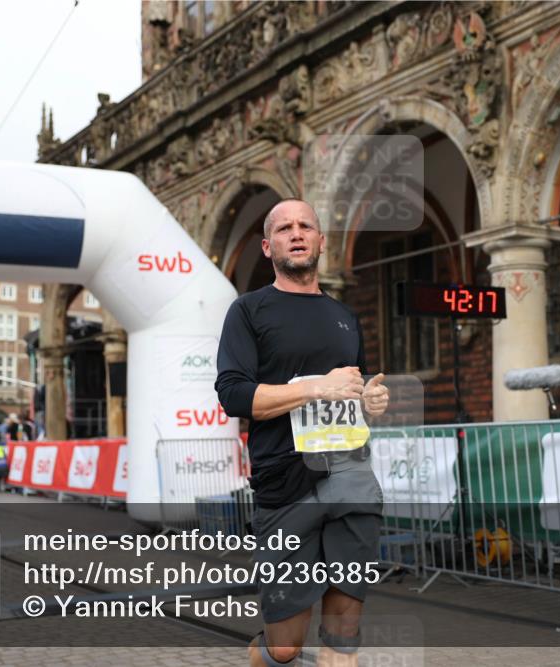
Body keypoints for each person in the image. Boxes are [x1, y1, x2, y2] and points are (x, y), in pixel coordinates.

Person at [215, 199, 390, 667]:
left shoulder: (344, 316)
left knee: (343, 634)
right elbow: (233, 395)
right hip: (286, 482)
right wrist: (316, 387)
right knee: (285, 647)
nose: (297, 233)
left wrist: (370, 397)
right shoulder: (248, 311)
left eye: (305, 226)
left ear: (320, 241)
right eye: (285, 228)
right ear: (268, 245)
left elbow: (354, 386)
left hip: (351, 475)